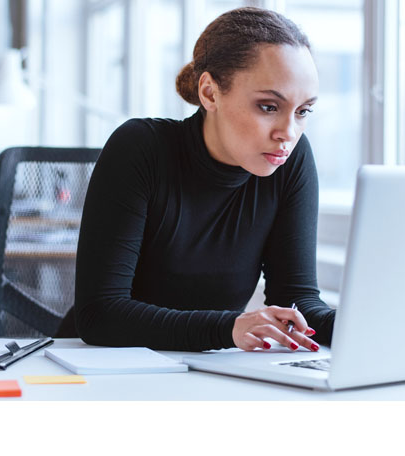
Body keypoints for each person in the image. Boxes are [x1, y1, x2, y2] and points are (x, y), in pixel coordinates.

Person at [74, 7, 335, 352]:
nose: (288, 133)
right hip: (103, 371)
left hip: (206, 372)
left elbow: (298, 302)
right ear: (210, 93)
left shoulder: (291, 162)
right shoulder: (140, 148)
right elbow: (98, 314)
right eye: (269, 107)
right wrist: (228, 329)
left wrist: (377, 323)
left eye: (303, 111)